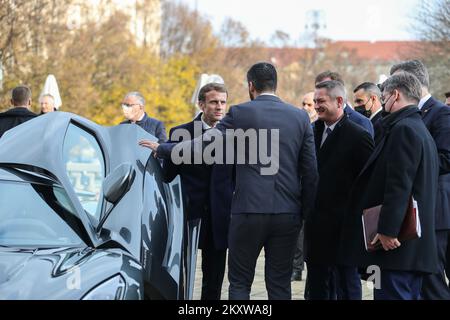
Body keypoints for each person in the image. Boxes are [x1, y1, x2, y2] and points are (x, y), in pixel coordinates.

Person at [140, 62, 319, 300]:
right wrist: (305, 213)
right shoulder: (300, 117)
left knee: (240, 284)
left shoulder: (240, 113)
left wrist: (164, 149)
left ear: (250, 86)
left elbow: (205, 143)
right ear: (276, 85)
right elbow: (310, 172)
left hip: (248, 212)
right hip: (287, 214)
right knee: (279, 285)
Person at [340, 72, 440, 300]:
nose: (382, 102)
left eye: (383, 96)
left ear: (395, 95)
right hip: (410, 249)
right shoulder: (418, 129)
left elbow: (399, 185)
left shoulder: (404, 129)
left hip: (396, 246)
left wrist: (387, 230)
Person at [160, 83, 233, 300]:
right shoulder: (180, 133)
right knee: (182, 271)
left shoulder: (234, 136)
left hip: (221, 215)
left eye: (222, 102)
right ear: (201, 104)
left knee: (215, 276)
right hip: (189, 214)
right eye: (213, 102)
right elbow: (168, 175)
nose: (219, 107)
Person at [304, 80, 374, 300]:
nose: (316, 106)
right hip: (315, 225)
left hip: (344, 227)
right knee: (316, 284)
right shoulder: (311, 131)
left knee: (346, 283)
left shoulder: (358, 136)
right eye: (315, 101)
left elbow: (367, 183)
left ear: (340, 101)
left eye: (321, 101)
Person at [390, 60, 450, 300]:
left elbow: (446, 157)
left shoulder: (441, 113)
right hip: (419, 209)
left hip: (437, 211)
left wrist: (413, 165)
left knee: (432, 281)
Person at [315, 71, 374, 137]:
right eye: (318, 87)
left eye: (326, 85)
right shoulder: (314, 126)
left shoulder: (360, 122)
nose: (320, 91)